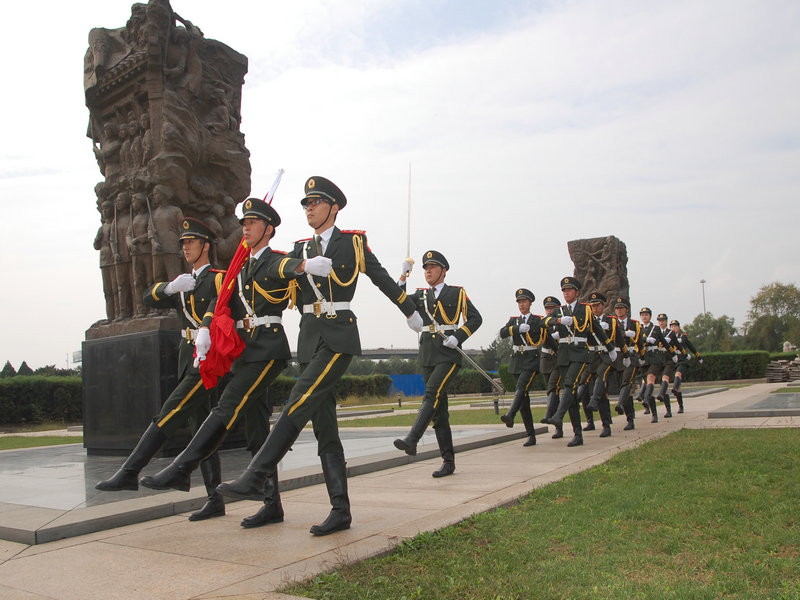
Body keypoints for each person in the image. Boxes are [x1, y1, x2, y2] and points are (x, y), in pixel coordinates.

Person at [217, 176, 424, 536]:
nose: (309, 207)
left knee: (298, 400)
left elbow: (381, 279)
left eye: (316, 201)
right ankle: (340, 511)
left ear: (334, 207)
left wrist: (408, 308)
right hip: (309, 339)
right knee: (324, 425)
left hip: (339, 335)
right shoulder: (299, 249)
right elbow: (278, 285)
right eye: (306, 203)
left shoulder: (352, 243)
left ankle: (257, 475)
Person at [139, 198, 305, 525]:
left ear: (269, 229)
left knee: (226, 407)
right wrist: (204, 327)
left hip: (267, 349)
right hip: (244, 351)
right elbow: (221, 300)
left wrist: (301, 266)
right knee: (258, 430)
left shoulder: (272, 260)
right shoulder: (238, 268)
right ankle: (271, 503)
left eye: (253, 222)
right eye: (244, 222)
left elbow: (284, 268)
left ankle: (181, 468)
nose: (245, 227)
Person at [95, 218, 228, 521]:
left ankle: (130, 471)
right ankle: (214, 498)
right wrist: (170, 287)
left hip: (207, 360)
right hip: (188, 357)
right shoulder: (184, 282)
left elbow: (222, 304)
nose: (185, 247)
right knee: (201, 431)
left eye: (190, 242)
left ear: (206, 245)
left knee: (170, 411)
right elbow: (147, 298)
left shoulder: (219, 278)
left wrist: (206, 324)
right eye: (182, 243)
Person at [393, 250, 483, 473]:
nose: (428, 271)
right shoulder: (421, 295)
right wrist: (403, 277)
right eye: (425, 268)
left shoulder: (457, 293)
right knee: (439, 411)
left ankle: (413, 438)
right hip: (428, 355)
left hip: (448, 354)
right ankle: (448, 462)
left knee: (431, 393)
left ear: (443, 271)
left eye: (432, 267)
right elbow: (400, 301)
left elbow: (476, 318)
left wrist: (459, 336)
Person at [544, 277, 616, 447]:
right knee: (573, 396)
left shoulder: (585, 310)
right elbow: (544, 322)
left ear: (577, 292)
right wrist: (558, 320)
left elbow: (596, 330)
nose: (566, 293)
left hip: (580, 354)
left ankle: (558, 416)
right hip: (563, 355)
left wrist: (610, 347)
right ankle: (578, 434)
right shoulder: (559, 311)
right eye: (564, 290)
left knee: (570, 385)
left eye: (569, 290)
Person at [499, 288, 543, 447]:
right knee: (524, 401)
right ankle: (531, 435)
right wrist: (516, 329)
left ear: (530, 303)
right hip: (517, 362)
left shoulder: (537, 320)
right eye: (519, 302)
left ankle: (510, 414)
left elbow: (548, 338)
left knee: (521, 387)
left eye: (524, 301)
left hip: (531, 360)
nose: (521, 304)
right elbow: (502, 333)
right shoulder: (514, 321)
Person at [583, 292, 628, 438]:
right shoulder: (585, 320)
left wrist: (626, 354)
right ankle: (598, 421)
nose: (595, 308)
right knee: (591, 388)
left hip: (607, 356)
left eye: (597, 305)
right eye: (592, 305)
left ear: (603, 305)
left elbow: (619, 339)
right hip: (591, 357)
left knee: (601, 376)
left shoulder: (611, 321)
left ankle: (596, 406)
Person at [636, 308, 672, 423]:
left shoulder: (655, 329)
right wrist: (645, 339)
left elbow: (665, 343)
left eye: (646, 315)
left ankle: (645, 399)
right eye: (642, 315)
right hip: (644, 359)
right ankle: (654, 414)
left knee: (651, 378)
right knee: (647, 384)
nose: (644, 317)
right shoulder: (639, 329)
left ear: (650, 316)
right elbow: (635, 339)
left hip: (655, 358)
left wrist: (673, 354)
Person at [612, 297, 643, 430]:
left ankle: (620, 405)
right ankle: (630, 418)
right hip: (618, 356)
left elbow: (639, 340)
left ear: (627, 309)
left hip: (631, 355)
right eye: (617, 308)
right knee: (625, 388)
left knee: (626, 382)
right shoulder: (612, 322)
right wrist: (623, 333)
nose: (619, 310)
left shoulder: (634, 323)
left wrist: (641, 355)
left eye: (621, 308)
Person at [670, 319, 702, 413]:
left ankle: (674, 388)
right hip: (673, 361)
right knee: (678, 385)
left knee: (678, 374)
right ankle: (680, 405)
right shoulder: (667, 337)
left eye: (675, 326)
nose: (673, 328)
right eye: (671, 326)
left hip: (682, 360)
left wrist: (698, 357)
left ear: (679, 328)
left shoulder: (683, 337)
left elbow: (691, 347)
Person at [539, 295, 562, 425]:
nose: (549, 311)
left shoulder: (561, 322)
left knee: (553, 387)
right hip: (546, 358)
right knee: (553, 390)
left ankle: (548, 415)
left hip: (558, 358)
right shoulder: (543, 323)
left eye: (551, 308)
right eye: (547, 308)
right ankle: (557, 424)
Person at [655, 313, 682, 418]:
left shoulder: (670, 333)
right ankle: (668, 410)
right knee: (663, 384)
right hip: (659, 359)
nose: (661, 322)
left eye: (663, 321)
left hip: (668, 359)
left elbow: (677, 345)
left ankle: (679, 406)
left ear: (666, 321)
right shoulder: (655, 331)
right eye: (659, 321)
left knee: (665, 379)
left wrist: (679, 354)